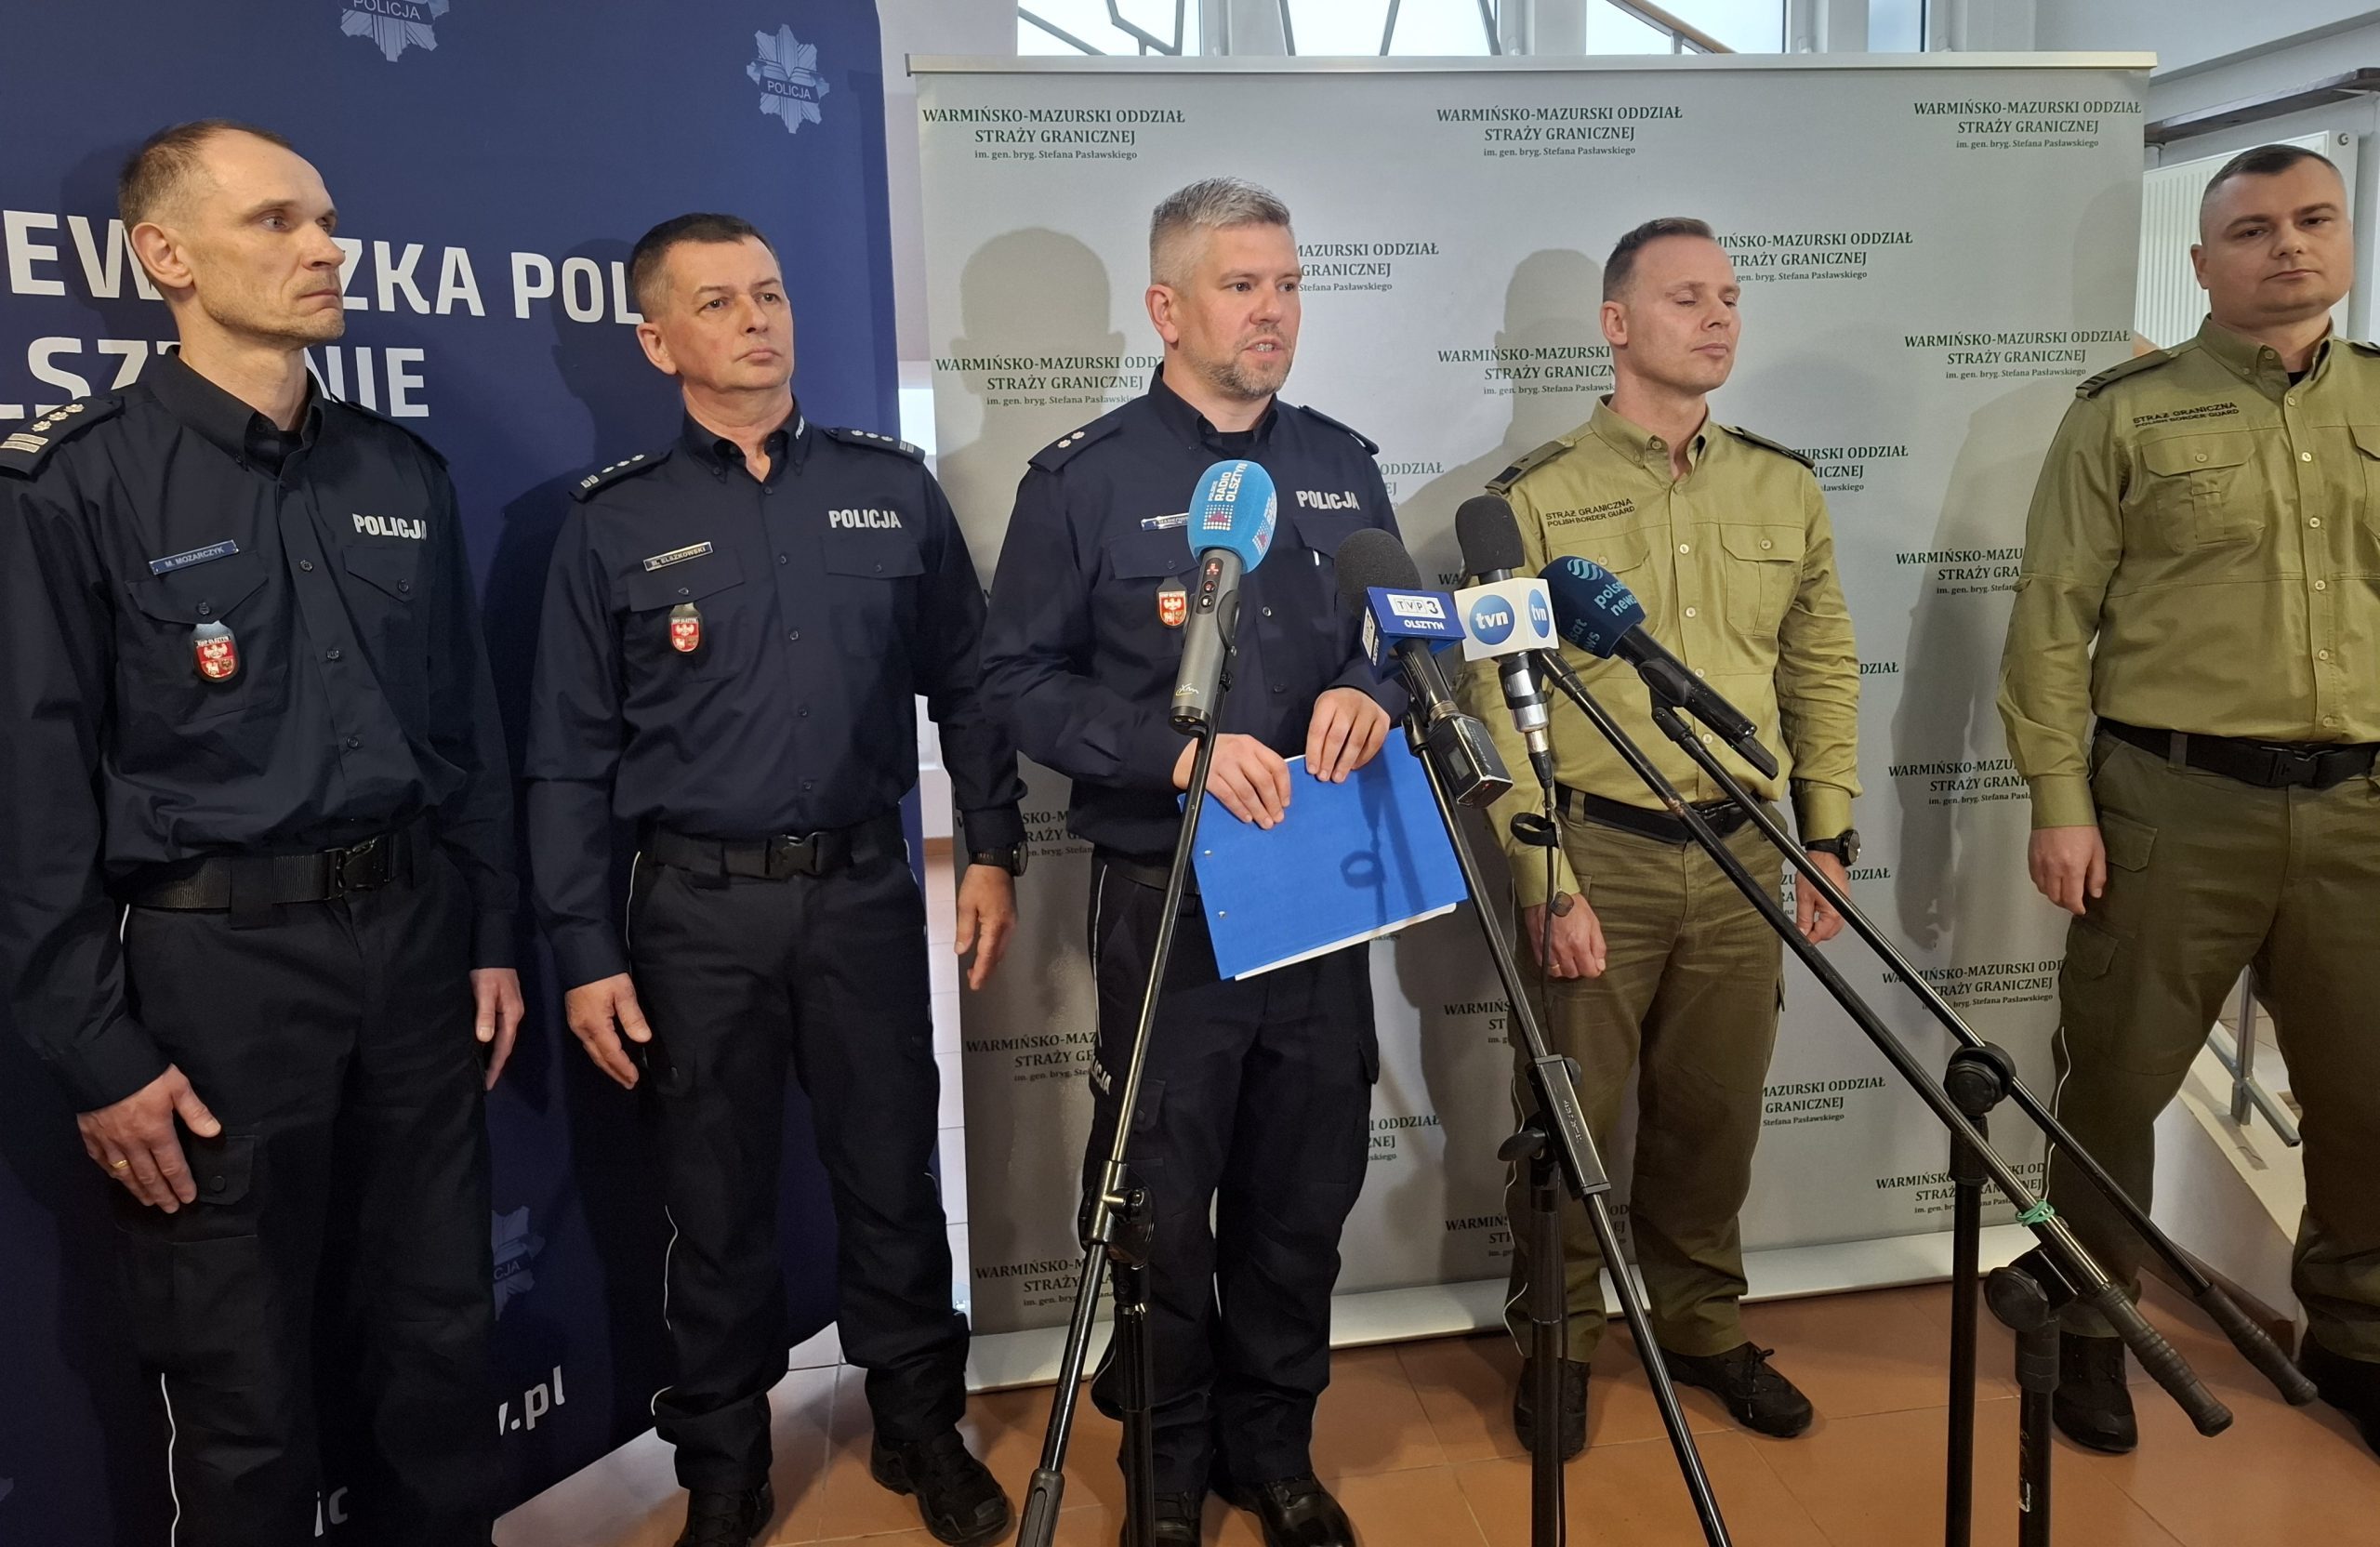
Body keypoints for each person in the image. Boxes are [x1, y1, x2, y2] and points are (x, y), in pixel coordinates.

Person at [0, 121, 522, 1546]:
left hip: (413, 947)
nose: (324, 249)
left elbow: (463, 735)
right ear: (165, 255)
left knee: (440, 1332)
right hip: (214, 971)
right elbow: (30, 798)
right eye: (278, 221)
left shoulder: (400, 475)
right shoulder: (72, 484)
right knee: (239, 1385)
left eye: (328, 221)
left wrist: (486, 932)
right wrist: (98, 1051)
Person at [524, 213, 1025, 1547]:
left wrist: (989, 846)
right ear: (657, 342)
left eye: (770, 293)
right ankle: (723, 1466)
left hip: (863, 892)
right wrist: (584, 949)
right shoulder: (612, 523)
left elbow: (970, 685)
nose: (757, 319)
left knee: (893, 1178)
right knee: (713, 1201)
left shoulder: (890, 488)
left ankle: (920, 1426)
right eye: (719, 302)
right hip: (694, 914)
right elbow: (566, 759)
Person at [980, 178, 1397, 1547]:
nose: (1274, 311)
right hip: (1173, 902)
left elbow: (1401, 634)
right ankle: (1166, 1472)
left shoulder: (1341, 462)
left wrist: (1375, 691)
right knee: (1160, 1209)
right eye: (1241, 285)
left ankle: (1272, 1451)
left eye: (1288, 285)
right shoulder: (1083, 479)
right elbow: (1014, 684)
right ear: (1167, 306)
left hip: (1321, 895)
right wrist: (1175, 754)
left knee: (1300, 1198)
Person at [1999, 142, 2380, 1458]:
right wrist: (2060, 799)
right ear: (2204, 262)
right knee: (2114, 1083)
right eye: (2255, 228)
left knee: (2365, 1091)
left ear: (2348, 239)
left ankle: (2356, 1335)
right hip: (2171, 804)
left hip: (2360, 811)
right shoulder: (2125, 414)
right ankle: (2093, 1325)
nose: (2290, 245)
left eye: (2315, 219)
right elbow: (2052, 621)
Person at [1461, 217, 1860, 1458]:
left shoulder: (1783, 487)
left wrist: (1827, 836)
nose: (1718, 317)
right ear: (1616, 323)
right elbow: (1496, 705)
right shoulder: (1529, 502)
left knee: (1713, 1116)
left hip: (1745, 853)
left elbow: (1820, 666)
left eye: (1729, 296)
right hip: (1600, 854)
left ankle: (1698, 1323)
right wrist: (1547, 877)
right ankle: (1563, 1337)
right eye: (1687, 298)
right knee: (1569, 1118)